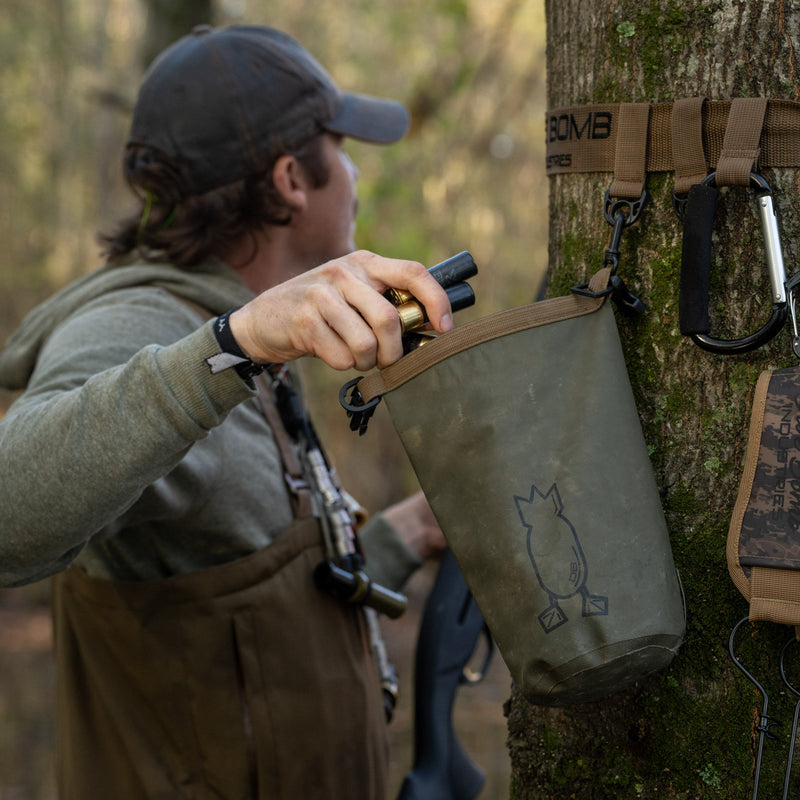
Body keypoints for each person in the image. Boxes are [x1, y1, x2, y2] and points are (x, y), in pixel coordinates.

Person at [0, 24, 453, 800]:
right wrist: (232, 347)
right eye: (342, 149)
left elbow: (242, 622)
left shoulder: (236, 320)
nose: (353, 174)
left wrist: (409, 533)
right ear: (291, 180)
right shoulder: (137, 326)